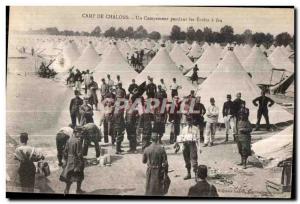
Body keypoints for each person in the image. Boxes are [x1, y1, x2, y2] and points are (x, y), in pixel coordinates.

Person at [60, 126, 85, 194]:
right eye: (80, 133)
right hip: (76, 161)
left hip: (70, 161)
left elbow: (65, 151)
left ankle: (66, 190)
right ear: (76, 132)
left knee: (70, 176)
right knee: (80, 175)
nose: (80, 134)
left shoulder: (69, 140)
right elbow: (79, 153)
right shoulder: (78, 141)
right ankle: (78, 190)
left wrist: (65, 160)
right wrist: (82, 161)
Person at [177, 115, 201, 180]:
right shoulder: (184, 129)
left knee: (194, 159)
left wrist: (199, 147)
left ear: (192, 120)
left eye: (190, 120)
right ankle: (188, 174)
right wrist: (182, 146)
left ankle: (196, 174)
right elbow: (181, 138)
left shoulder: (196, 128)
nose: (189, 122)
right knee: (186, 160)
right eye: (188, 120)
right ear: (186, 121)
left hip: (192, 145)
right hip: (186, 145)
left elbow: (198, 139)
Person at [236, 103, 252, 169]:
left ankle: (244, 164)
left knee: (244, 150)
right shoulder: (238, 121)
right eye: (240, 115)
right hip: (239, 138)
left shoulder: (247, 122)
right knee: (240, 150)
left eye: (242, 115)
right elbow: (237, 129)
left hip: (245, 138)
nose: (241, 116)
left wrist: (244, 129)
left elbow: (250, 129)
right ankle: (242, 161)